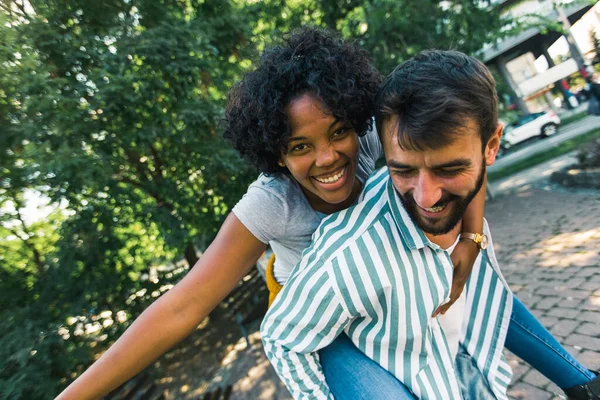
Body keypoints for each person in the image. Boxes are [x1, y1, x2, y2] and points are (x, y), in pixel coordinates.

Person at [55, 27, 482, 400]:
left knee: (490, 313)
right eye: (300, 147)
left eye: (337, 132)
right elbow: (182, 307)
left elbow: (464, 148)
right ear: (275, 154)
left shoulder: (371, 139)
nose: (328, 157)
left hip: (389, 293)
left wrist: (471, 238)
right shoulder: (270, 204)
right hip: (326, 329)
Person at [261, 50, 600, 400]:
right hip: (331, 329)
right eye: (403, 170)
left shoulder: (454, 189)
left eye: (449, 169)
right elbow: (281, 336)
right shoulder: (347, 253)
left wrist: (472, 236)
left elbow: (488, 297)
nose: (425, 197)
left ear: (491, 147)